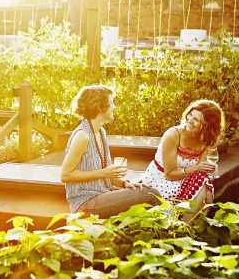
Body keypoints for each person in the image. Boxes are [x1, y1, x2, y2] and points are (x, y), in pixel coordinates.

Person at [61, 85, 160, 218]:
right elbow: (65, 175)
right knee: (150, 194)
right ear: (100, 107)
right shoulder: (82, 136)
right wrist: (104, 173)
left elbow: (107, 174)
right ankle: (173, 231)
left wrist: (125, 183)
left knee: (143, 188)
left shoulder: (101, 132)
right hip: (86, 202)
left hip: (103, 193)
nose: (114, 107)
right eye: (112, 102)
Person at [142, 99, 225, 217]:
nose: (190, 120)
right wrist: (196, 168)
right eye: (190, 115)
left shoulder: (206, 139)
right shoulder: (173, 135)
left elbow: (202, 168)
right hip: (162, 180)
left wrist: (208, 168)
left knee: (204, 181)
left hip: (186, 180)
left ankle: (189, 222)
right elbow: (169, 174)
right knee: (203, 183)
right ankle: (186, 222)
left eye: (196, 119)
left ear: (207, 126)